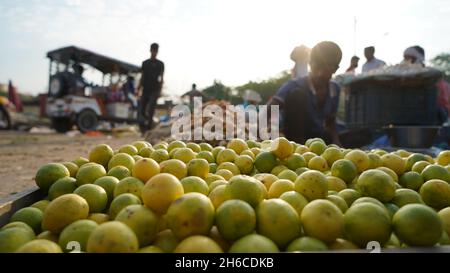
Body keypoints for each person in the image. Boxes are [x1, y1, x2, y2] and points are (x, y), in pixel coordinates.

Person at [267, 41, 343, 145]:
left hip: (317, 138)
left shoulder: (335, 89)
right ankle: (298, 145)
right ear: (310, 64)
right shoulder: (295, 84)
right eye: (317, 67)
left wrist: (336, 141)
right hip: (296, 137)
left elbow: (330, 122)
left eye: (326, 68)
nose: (320, 73)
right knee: (297, 94)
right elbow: (270, 108)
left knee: (360, 136)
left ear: (335, 69)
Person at [403, 45, 450, 123]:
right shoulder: (402, 76)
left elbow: (443, 102)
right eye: (405, 58)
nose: (408, 61)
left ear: (420, 58)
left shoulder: (431, 75)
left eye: (411, 58)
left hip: (436, 115)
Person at [137, 43, 164, 133]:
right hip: (145, 89)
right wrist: (138, 88)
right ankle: (143, 127)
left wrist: (160, 91)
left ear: (157, 52)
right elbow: (142, 76)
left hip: (154, 90)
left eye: (156, 51)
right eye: (153, 50)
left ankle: (149, 128)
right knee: (142, 109)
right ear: (150, 50)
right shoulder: (145, 63)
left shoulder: (160, 64)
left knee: (151, 109)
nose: (154, 52)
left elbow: (161, 78)